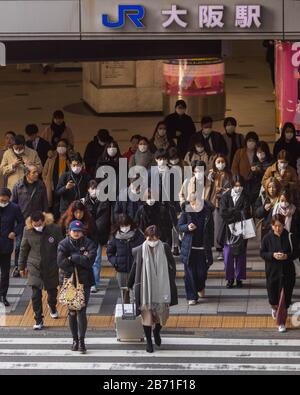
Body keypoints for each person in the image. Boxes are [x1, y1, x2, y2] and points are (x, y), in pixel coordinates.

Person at [128, 225, 178, 353]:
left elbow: (172, 264)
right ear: (146, 237)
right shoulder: (140, 250)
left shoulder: (165, 247)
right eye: (150, 238)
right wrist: (129, 284)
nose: (153, 241)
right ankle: (149, 342)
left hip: (162, 288)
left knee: (163, 316)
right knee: (147, 317)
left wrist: (169, 279)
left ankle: (157, 331)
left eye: (155, 238)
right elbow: (135, 267)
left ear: (159, 237)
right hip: (146, 289)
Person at [19, 211, 63, 330]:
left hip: (51, 265)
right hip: (34, 265)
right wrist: (21, 266)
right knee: (35, 293)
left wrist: (63, 264)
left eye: (39, 224)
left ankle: (52, 306)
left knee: (52, 291)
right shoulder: (27, 231)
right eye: (35, 225)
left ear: (44, 221)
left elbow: (61, 247)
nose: (37, 227)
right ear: (31, 223)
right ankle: (38, 319)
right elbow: (23, 249)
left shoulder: (55, 229)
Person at [58, 220, 97, 354]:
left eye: (79, 231)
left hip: (84, 281)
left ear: (82, 232)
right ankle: (74, 339)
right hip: (68, 282)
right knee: (72, 312)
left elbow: (90, 261)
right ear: (69, 231)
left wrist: (72, 257)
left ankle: (82, 341)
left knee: (81, 310)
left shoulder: (89, 243)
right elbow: (61, 262)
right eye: (74, 231)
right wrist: (81, 258)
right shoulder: (63, 244)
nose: (76, 233)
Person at [261, 215, 299, 333]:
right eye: (275, 226)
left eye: (280, 225)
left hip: (287, 273)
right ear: (272, 226)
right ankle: (274, 308)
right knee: (273, 298)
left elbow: (297, 252)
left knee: (284, 299)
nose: (278, 228)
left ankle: (281, 321)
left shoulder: (290, 237)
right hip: (273, 273)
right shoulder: (267, 238)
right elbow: (262, 253)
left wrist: (286, 256)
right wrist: (272, 255)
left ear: (284, 225)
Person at [12, 163, 49, 277]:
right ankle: (19, 267)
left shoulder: (41, 185)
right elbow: (14, 204)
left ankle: (38, 267)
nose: (37, 174)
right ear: (27, 174)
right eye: (34, 172)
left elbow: (45, 203)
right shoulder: (18, 186)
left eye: (37, 172)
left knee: (38, 244)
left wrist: (45, 218)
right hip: (22, 221)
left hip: (37, 220)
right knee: (19, 246)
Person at [179, 195, 214, 305]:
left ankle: (200, 287)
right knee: (190, 274)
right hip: (189, 248)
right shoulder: (186, 212)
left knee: (201, 273)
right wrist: (187, 228)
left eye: (198, 204)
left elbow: (211, 228)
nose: (195, 206)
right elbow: (179, 226)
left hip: (202, 248)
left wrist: (210, 244)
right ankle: (191, 296)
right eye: (193, 204)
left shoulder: (207, 212)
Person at [219, 176, 251, 289]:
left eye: (240, 185)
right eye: (236, 185)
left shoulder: (246, 196)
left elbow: (246, 212)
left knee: (241, 256)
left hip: (242, 229)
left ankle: (239, 278)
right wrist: (235, 212)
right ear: (232, 185)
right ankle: (230, 278)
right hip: (227, 229)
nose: (238, 188)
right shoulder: (225, 196)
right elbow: (222, 212)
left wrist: (231, 212)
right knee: (228, 256)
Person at [82, 180, 113, 293]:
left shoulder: (105, 201)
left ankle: (94, 283)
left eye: (96, 188)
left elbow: (104, 220)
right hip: (86, 235)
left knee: (96, 260)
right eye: (92, 188)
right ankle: (87, 281)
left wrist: (94, 229)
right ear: (88, 189)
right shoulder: (84, 202)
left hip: (98, 235)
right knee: (86, 259)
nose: (94, 191)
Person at [107, 214, 145, 303]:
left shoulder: (138, 235)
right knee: (124, 293)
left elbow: (144, 249)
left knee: (136, 293)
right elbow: (109, 253)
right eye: (122, 226)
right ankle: (127, 311)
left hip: (135, 269)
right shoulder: (114, 237)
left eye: (126, 225)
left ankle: (136, 312)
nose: (125, 228)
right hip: (121, 270)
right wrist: (115, 262)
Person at [206, 154, 232, 261]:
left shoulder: (229, 174)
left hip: (226, 202)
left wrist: (225, 191)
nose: (220, 164)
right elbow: (207, 187)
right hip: (215, 203)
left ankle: (227, 247)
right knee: (217, 226)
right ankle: (219, 249)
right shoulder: (212, 174)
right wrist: (210, 178)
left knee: (225, 227)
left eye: (222, 161)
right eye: (218, 162)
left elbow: (232, 187)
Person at [0, 188, 24, 307]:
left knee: (5, 273)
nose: (3, 200)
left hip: (6, 245)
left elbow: (21, 222)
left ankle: (3, 295)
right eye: (1, 197)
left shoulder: (14, 208)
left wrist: (14, 232)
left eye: (5, 198)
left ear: (9, 198)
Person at [42, 138, 70, 220]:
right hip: (53, 188)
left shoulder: (70, 159)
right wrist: (48, 184)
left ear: (67, 147)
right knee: (54, 210)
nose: (61, 147)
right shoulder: (51, 159)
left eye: (63, 146)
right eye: (59, 145)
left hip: (67, 189)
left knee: (66, 211)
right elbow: (44, 173)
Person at [248, 141, 274, 205]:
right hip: (255, 191)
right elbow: (249, 178)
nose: (260, 154)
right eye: (258, 152)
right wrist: (252, 172)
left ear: (266, 152)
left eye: (261, 152)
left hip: (267, 189)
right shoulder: (254, 163)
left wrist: (260, 170)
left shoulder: (272, 162)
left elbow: (271, 176)